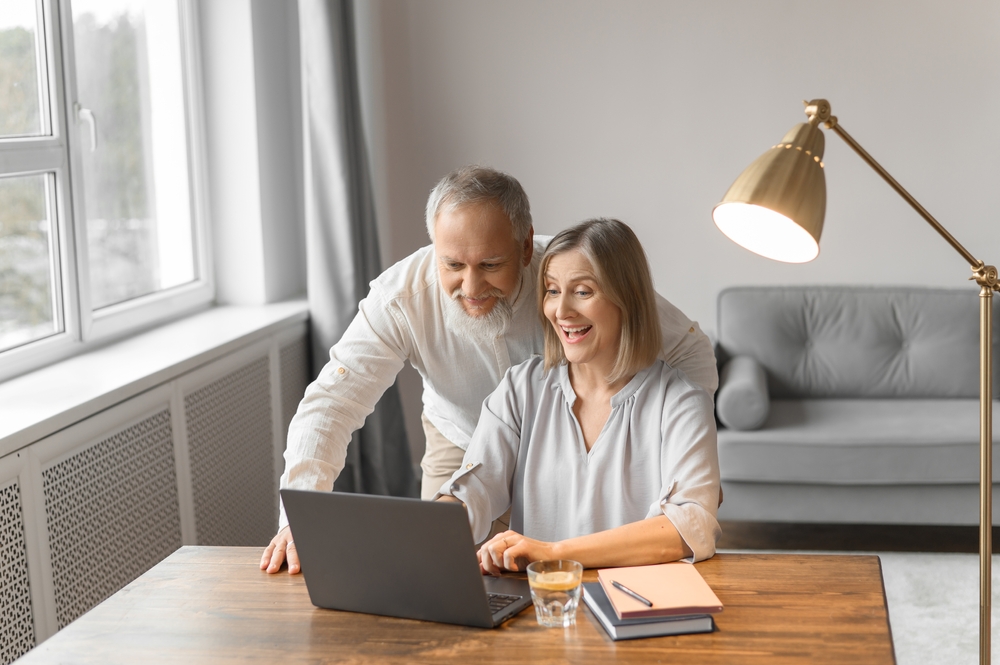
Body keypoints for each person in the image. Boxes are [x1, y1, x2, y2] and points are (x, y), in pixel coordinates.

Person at [261, 166, 718, 574]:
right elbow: (332, 404)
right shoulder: (409, 305)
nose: (472, 285)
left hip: (606, 424)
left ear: (523, 249)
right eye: (453, 264)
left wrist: (681, 451)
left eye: (491, 265)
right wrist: (305, 523)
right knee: (438, 567)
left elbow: (690, 353)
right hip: (462, 432)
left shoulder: (570, 265)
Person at [438, 218, 720, 572]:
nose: (561, 311)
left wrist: (553, 553)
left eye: (583, 291)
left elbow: (687, 527)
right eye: (553, 291)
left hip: (636, 605)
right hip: (543, 605)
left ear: (628, 298)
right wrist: (431, 525)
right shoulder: (520, 387)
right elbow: (477, 486)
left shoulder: (680, 402)